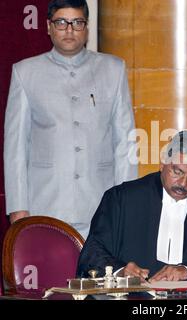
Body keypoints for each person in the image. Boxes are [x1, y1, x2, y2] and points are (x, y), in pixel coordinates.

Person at [4, 0, 137, 239]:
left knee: (99, 276)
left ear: (86, 27)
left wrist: (126, 204)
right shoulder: (25, 72)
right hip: (44, 204)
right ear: (48, 27)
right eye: (61, 22)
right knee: (48, 275)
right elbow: (16, 149)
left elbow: (125, 143)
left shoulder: (113, 69)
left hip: (101, 203)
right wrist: (17, 208)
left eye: (77, 23)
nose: (69, 30)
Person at [77, 131, 187, 281]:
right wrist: (121, 271)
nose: (183, 184)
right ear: (163, 164)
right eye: (177, 172)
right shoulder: (122, 198)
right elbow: (92, 252)